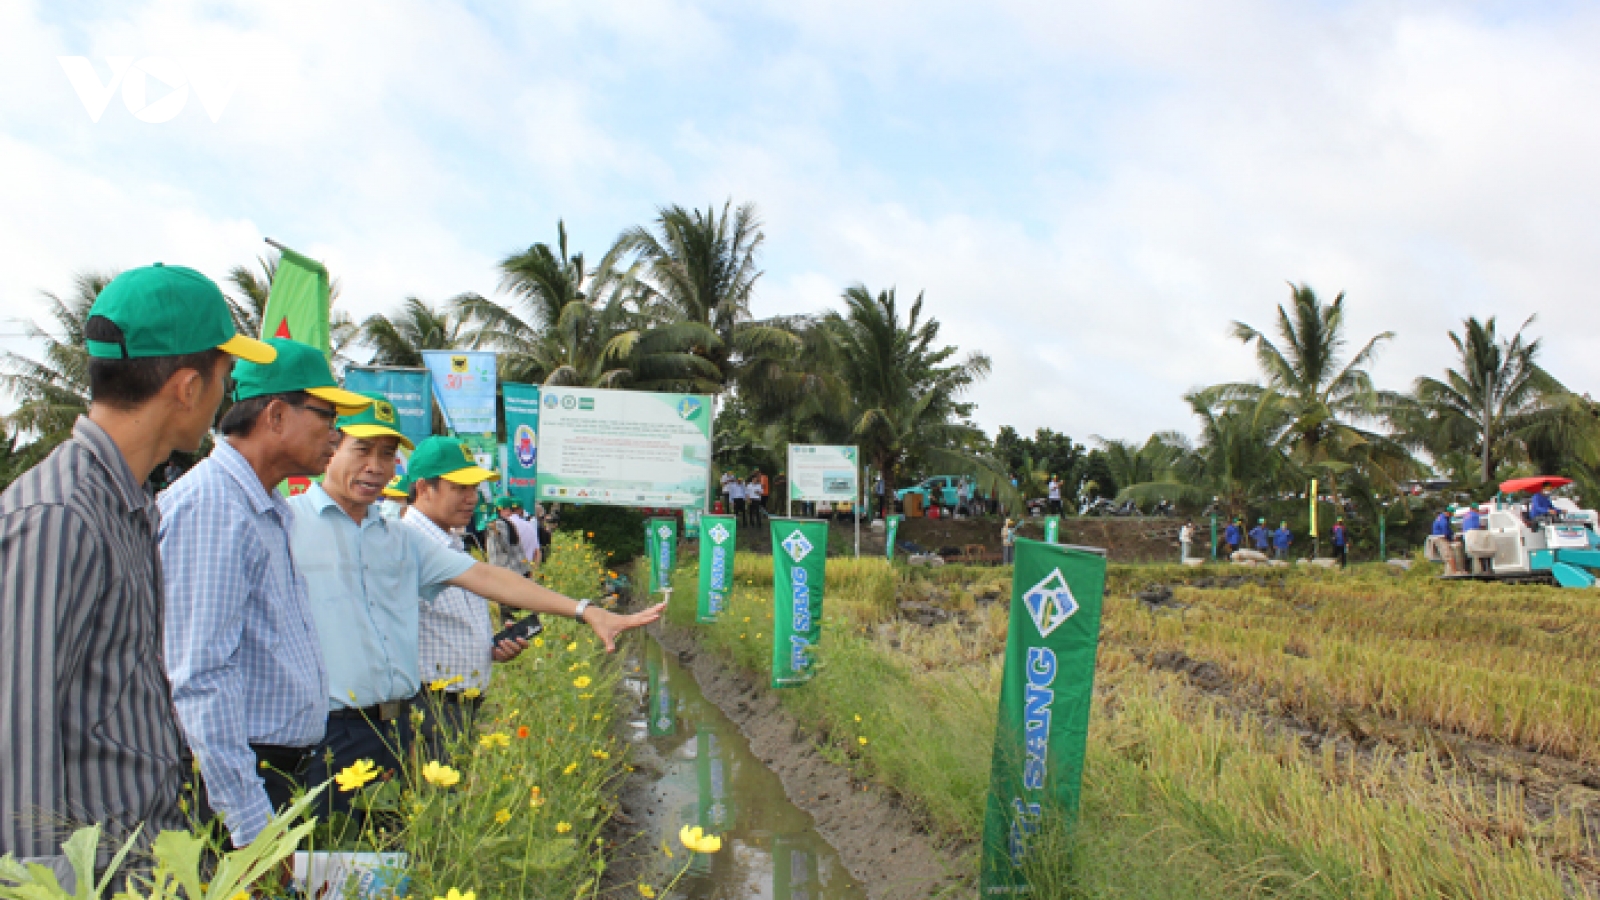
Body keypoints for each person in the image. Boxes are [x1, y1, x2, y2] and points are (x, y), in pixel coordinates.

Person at [0, 263, 274, 880]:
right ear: (186, 387)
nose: (225, 395)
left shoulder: (128, 504)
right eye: (225, 375)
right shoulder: (61, 516)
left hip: (145, 867)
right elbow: (17, 742)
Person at [289, 423, 664, 816]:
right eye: (361, 450)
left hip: (393, 725)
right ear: (330, 447)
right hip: (337, 724)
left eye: (386, 455)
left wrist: (585, 610)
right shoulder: (290, 523)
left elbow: (487, 579)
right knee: (326, 853)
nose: (376, 467)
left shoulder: (395, 537)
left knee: (392, 844)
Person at [160, 338, 371, 850]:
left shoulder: (265, 505)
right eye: (326, 415)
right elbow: (201, 679)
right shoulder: (213, 507)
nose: (336, 435)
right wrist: (252, 829)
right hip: (239, 781)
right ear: (275, 415)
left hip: (274, 772)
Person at [406, 438, 531, 757]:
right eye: (460, 488)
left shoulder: (451, 540)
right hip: (429, 704)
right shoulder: (407, 544)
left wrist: (489, 649)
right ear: (423, 488)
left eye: (475, 489)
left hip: (459, 701)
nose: (472, 498)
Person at [486, 499, 529, 575]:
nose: (510, 513)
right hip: (515, 568)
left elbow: (505, 546)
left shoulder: (499, 523)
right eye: (509, 510)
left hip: (506, 568)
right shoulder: (504, 523)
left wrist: (496, 533)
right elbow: (508, 546)